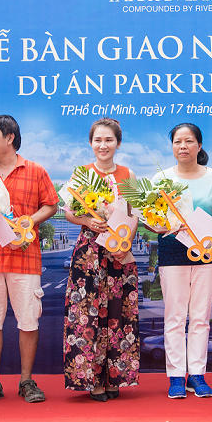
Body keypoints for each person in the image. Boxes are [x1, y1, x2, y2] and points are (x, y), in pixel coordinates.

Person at [0, 115, 59, 406]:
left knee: (28, 321)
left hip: (24, 259)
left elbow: (51, 205)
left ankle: (26, 381)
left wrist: (30, 219)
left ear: (10, 137)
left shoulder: (35, 171)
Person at [153, 123, 212, 399]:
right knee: (175, 316)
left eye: (189, 141)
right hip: (172, 252)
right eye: (178, 141)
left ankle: (197, 375)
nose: (183, 146)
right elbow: (151, 220)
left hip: (207, 252)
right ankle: (176, 376)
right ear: (172, 147)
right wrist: (159, 225)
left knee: (200, 316)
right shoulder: (161, 179)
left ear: (199, 146)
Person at [63, 118, 140, 402]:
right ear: (91, 143)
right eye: (98, 140)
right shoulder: (81, 174)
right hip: (89, 253)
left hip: (119, 250)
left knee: (119, 313)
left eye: (109, 140)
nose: (103, 145)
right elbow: (68, 212)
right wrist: (87, 221)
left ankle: (115, 377)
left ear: (118, 143)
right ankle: (92, 380)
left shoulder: (128, 175)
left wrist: (126, 242)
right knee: (87, 314)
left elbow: (134, 214)